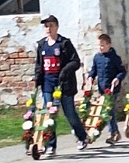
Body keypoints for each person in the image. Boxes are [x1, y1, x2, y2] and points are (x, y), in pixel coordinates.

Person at [33, 14, 88, 153]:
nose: (48, 28)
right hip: (48, 84)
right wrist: (37, 78)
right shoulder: (42, 45)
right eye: (46, 26)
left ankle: (82, 137)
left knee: (69, 113)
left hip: (64, 84)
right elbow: (39, 64)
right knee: (49, 113)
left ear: (57, 27)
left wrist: (65, 71)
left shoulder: (64, 43)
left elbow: (75, 61)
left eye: (51, 25)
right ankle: (50, 144)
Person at [86, 32, 126, 146]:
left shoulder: (114, 58)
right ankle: (114, 132)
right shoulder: (97, 57)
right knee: (106, 111)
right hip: (102, 89)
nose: (100, 47)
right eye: (99, 45)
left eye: (103, 45)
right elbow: (94, 70)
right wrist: (90, 77)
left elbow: (122, 71)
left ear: (109, 45)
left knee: (109, 110)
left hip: (112, 89)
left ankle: (113, 133)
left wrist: (117, 78)